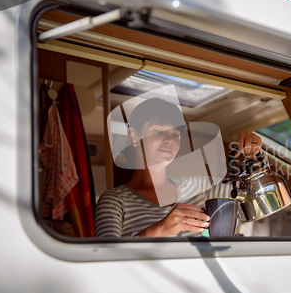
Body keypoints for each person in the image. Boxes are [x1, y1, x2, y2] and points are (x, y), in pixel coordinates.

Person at [94, 98, 262, 237]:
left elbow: (255, 195)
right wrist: (160, 229)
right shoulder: (115, 201)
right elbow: (102, 261)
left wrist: (253, 154)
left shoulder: (201, 188)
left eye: (175, 134)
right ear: (134, 136)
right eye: (158, 131)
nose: (169, 139)